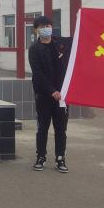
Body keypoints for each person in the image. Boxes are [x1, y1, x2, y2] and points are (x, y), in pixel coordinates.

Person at [29, 16, 70, 173]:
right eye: (42, 26)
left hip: (62, 96)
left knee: (61, 129)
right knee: (42, 128)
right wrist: (51, 91)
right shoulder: (34, 49)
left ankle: (60, 158)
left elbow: (78, 42)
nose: (46, 28)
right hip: (44, 96)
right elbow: (38, 73)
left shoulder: (60, 45)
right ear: (36, 30)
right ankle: (41, 157)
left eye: (48, 25)